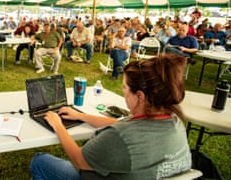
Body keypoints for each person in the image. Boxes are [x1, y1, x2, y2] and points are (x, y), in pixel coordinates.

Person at [29, 54, 191, 180]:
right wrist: (81, 116)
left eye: (125, 88)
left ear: (140, 96)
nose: (123, 91)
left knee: (40, 161)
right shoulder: (175, 122)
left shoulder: (120, 137)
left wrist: (58, 125)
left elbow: (79, 160)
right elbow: (119, 123)